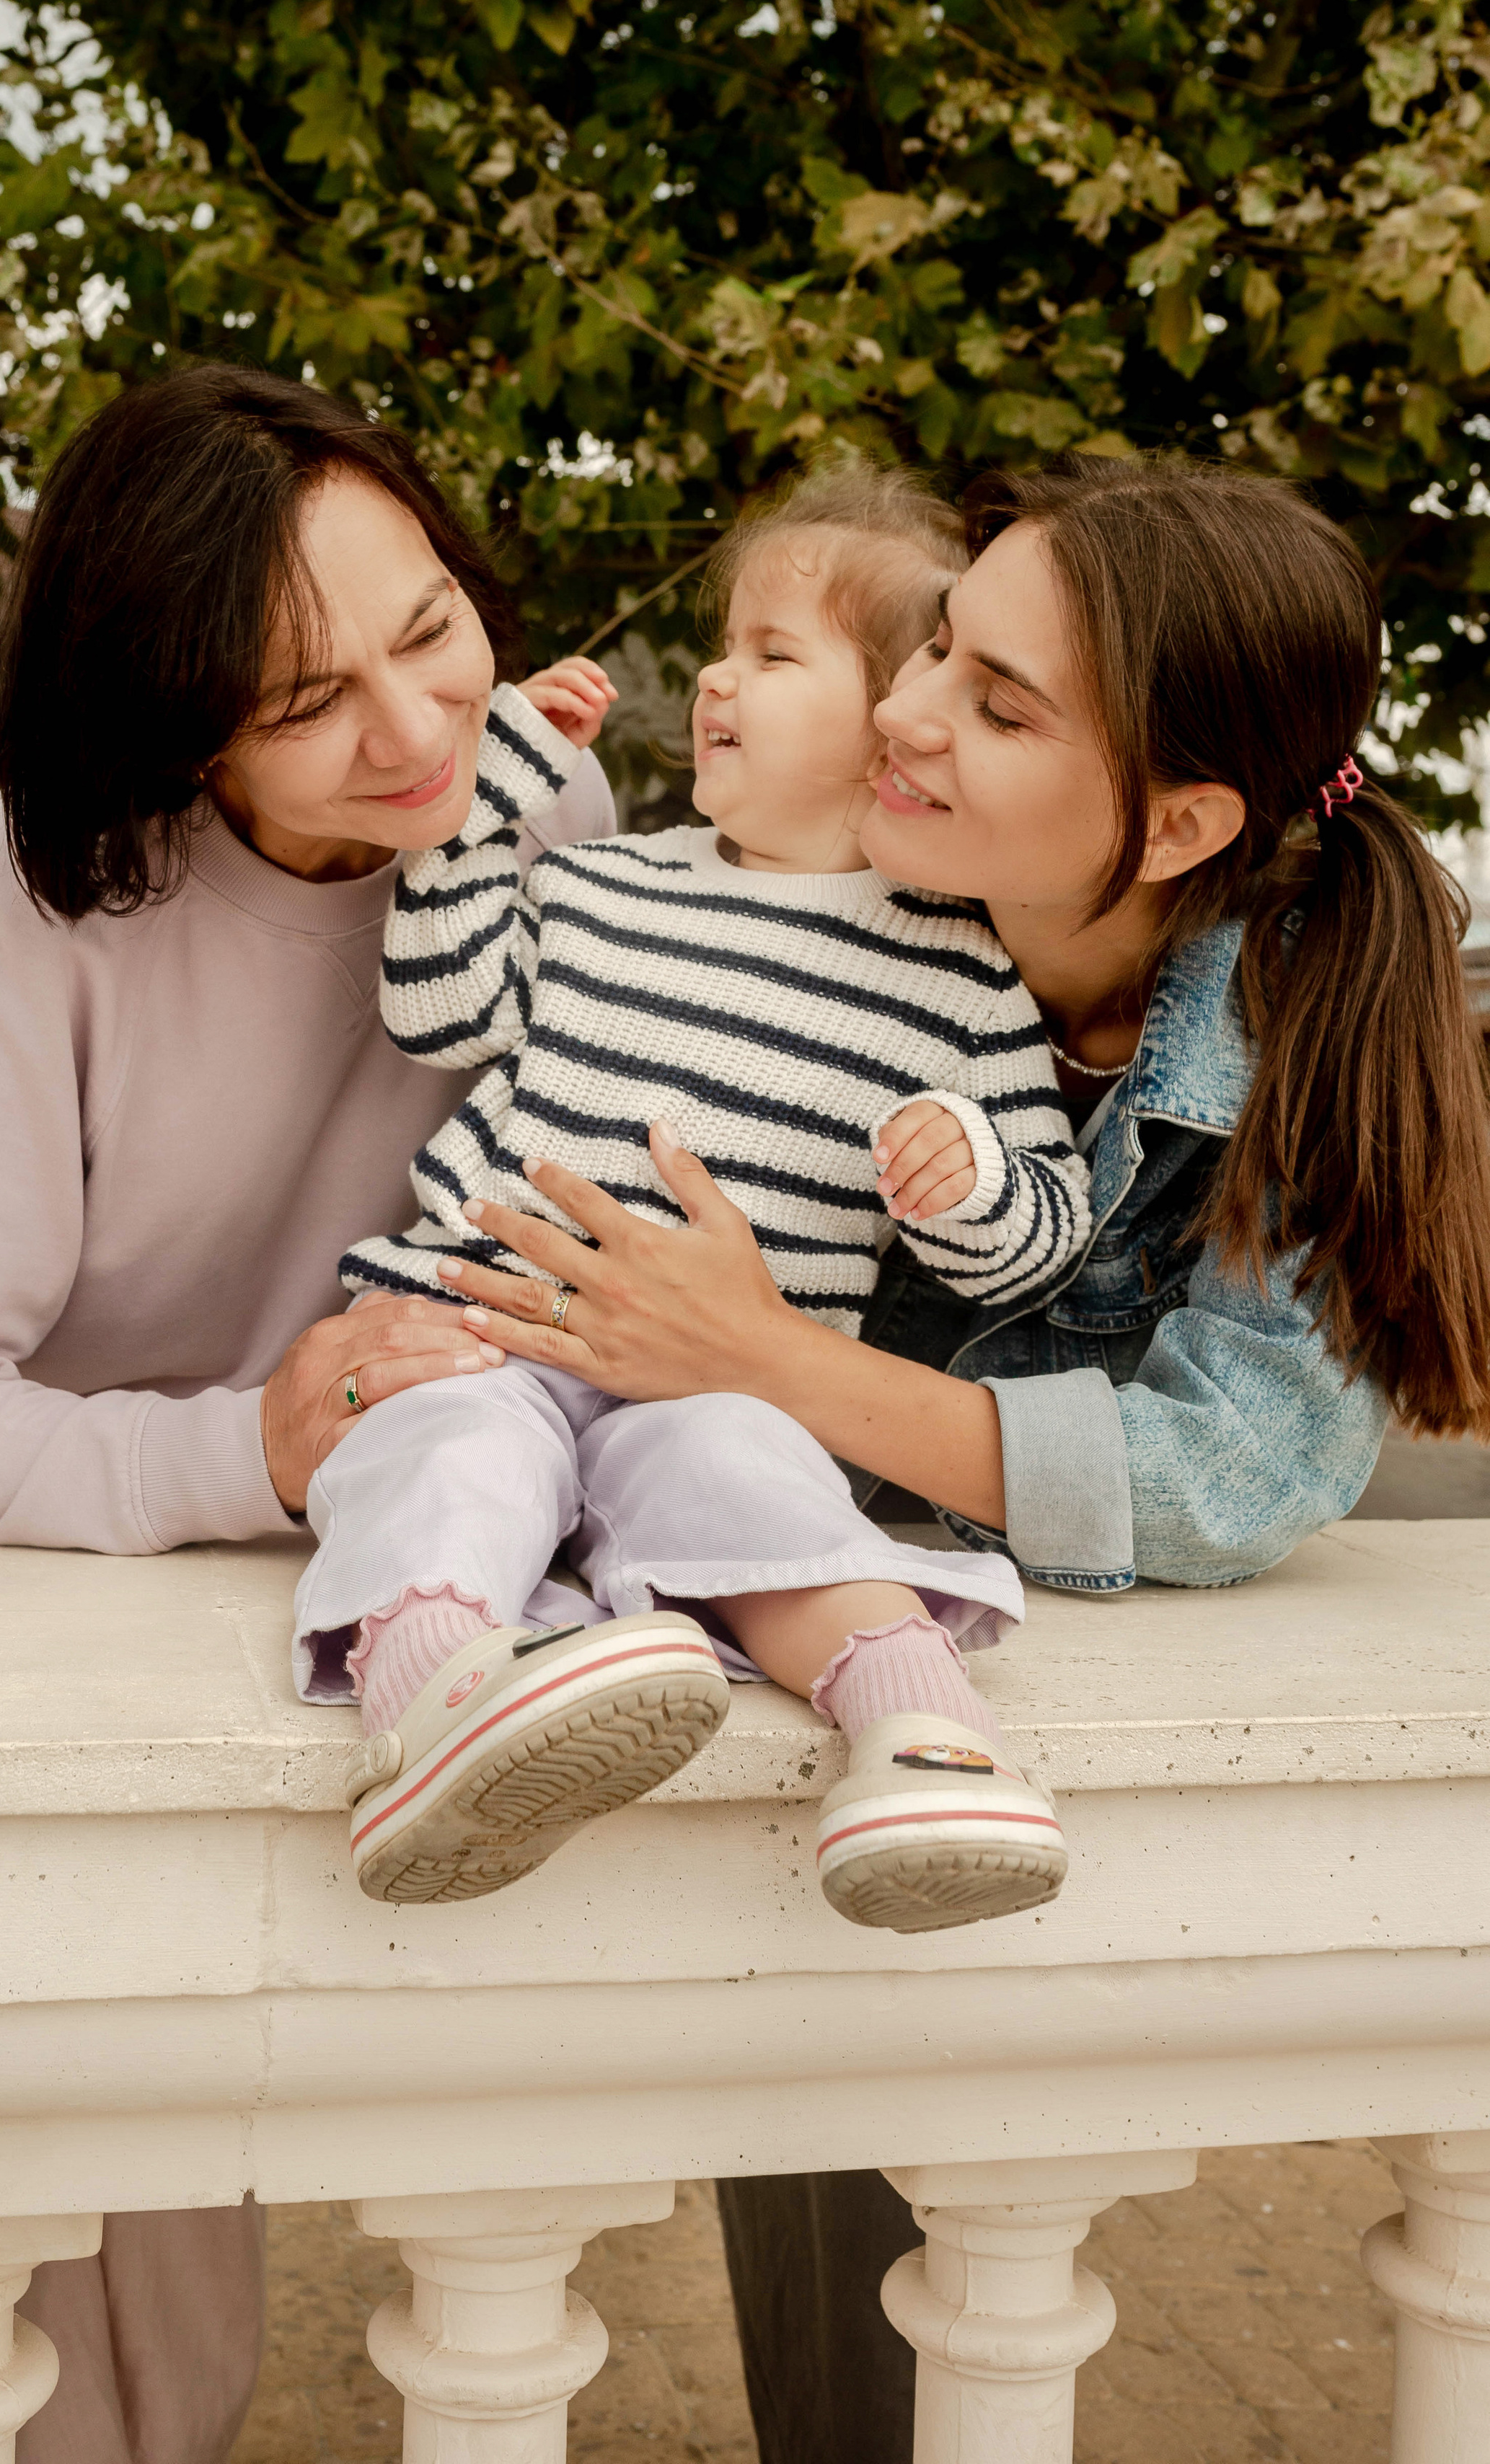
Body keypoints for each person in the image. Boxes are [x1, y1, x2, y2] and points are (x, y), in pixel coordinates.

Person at [413, 451, 1490, 2464]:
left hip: (1033, 1721)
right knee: (823, 2243)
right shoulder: (805, 917)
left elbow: (1241, 1468)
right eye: (934, 653)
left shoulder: (1288, 1032)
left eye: (998, 709)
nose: (909, 716)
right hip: (805, 1661)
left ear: (1176, 821)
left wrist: (772, 1360)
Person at [0, 363, 620, 2464]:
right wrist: (244, 1449)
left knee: (183, 2279)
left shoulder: (543, 822)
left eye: (430, 628)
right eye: (309, 699)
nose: (415, 734)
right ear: (176, 721)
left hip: (254, 1618)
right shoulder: (62, 886)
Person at [310, 462, 1084, 1929]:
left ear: (892, 727)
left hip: (718, 1387)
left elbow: (1034, 1245)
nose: (716, 680)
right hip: (483, 1327)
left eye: (772, 655)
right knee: (446, 1451)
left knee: (760, 1489)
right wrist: (483, 801)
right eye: (726, 645)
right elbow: (435, 1004)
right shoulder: (603, 887)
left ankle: (923, 1741)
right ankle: (435, 1705)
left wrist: (967, 1181)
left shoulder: (958, 976)